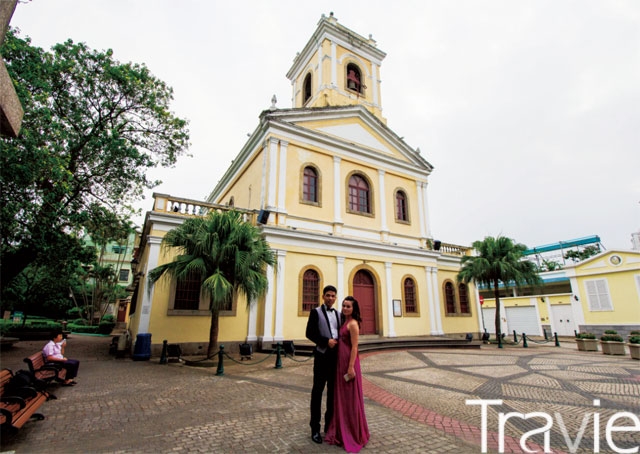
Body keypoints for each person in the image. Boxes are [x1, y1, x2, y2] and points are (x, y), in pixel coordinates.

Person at [324, 296, 370, 453]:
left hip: (349, 363)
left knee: (350, 398)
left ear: (354, 309)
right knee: (342, 397)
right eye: (343, 305)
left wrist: (351, 367)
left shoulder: (353, 324)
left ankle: (352, 432)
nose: (344, 308)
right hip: (340, 362)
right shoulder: (344, 321)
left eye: (348, 306)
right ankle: (340, 429)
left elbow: (355, 347)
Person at [305, 284, 341, 444]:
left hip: (335, 358)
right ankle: (315, 428)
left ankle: (329, 426)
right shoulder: (316, 312)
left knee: (333, 393)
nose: (330, 298)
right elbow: (309, 333)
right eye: (328, 295)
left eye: (333, 296)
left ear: (335, 298)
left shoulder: (339, 314)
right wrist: (326, 341)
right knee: (317, 392)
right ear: (323, 296)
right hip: (321, 357)